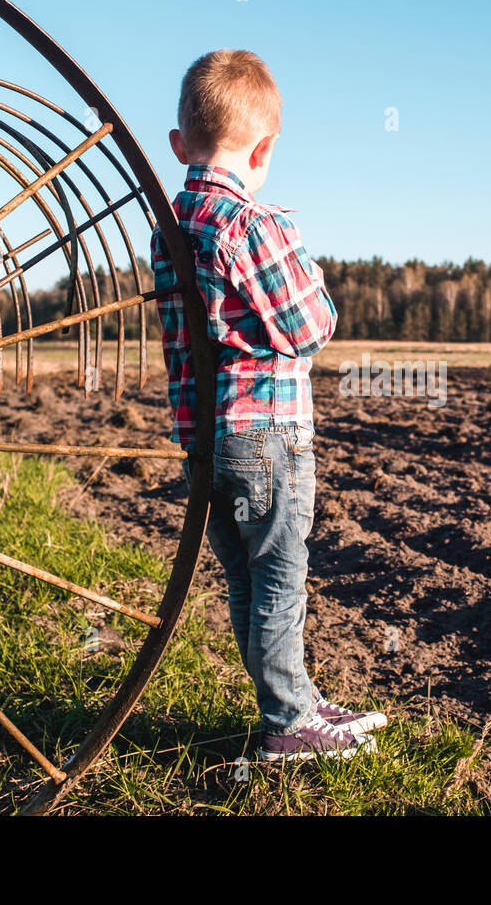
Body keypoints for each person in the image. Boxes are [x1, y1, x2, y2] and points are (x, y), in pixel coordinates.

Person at [150, 50, 385, 761]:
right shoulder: (253, 224)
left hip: (204, 438)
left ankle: (295, 700)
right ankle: (288, 723)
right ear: (265, 147)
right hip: (267, 433)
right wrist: (301, 253)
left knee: (246, 577)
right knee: (282, 572)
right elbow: (312, 326)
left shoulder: (170, 226)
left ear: (178, 144)